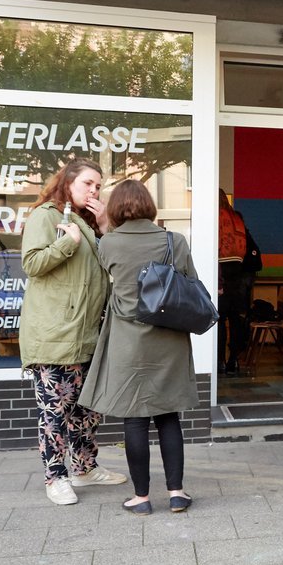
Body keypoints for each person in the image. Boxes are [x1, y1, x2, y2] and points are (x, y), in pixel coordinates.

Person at [79, 180, 196, 515]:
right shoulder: (174, 241)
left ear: (115, 208)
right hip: (168, 340)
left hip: (127, 342)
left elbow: (103, 285)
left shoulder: (109, 244)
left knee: (134, 420)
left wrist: (105, 228)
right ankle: (176, 493)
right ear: (149, 206)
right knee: (169, 416)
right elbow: (190, 283)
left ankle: (141, 498)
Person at [20, 158, 127, 507]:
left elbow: (110, 268)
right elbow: (32, 264)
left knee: (89, 411)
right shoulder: (45, 216)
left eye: (98, 185)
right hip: (55, 336)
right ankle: (56, 477)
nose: (94, 190)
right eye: (88, 183)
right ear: (67, 183)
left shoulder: (89, 223)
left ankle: (84, 469)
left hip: (89, 336)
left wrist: (105, 226)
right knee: (56, 412)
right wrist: (68, 243)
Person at [218, 190, 261, 375]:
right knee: (236, 321)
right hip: (240, 277)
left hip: (221, 275)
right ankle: (233, 360)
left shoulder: (216, 217)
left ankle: (219, 361)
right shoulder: (237, 218)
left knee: (219, 321)